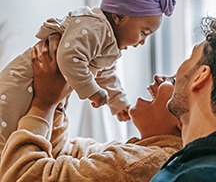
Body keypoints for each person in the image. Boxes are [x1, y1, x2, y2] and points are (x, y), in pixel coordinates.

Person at [0, 0, 176, 154]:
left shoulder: (107, 42)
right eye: (143, 33)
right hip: (23, 79)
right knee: (5, 128)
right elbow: (69, 58)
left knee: (14, 136)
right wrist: (93, 91)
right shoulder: (95, 27)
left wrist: (118, 102)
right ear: (118, 17)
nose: (142, 41)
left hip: (37, 85)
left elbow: (105, 74)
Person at [0, 37, 182, 181]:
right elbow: (61, 154)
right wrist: (58, 97)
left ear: (183, 121)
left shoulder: (138, 165)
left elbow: (21, 177)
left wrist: (43, 105)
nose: (159, 77)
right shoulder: (138, 151)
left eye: (174, 81)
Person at [151, 11, 216, 181]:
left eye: (191, 57)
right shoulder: (205, 164)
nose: (177, 74)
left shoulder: (208, 175)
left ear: (200, 76)